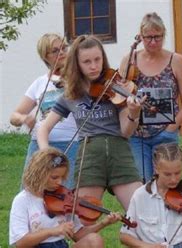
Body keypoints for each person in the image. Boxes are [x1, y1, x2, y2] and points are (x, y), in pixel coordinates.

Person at [37, 35, 143, 211]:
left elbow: (126, 131)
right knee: (85, 216)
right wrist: (45, 153)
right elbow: (44, 128)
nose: (93, 66)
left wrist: (133, 113)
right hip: (89, 155)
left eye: (97, 59)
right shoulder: (70, 94)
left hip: (119, 152)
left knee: (141, 211)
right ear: (77, 64)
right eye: (86, 62)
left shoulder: (117, 87)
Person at [119, 12, 182, 182]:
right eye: (148, 38)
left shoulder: (176, 60)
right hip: (137, 134)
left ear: (164, 35)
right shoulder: (130, 59)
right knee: (141, 183)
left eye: (157, 37)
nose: (153, 42)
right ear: (141, 37)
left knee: (166, 181)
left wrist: (172, 127)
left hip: (165, 133)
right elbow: (120, 97)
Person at [9, 148, 121, 247]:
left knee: (94, 240)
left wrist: (103, 223)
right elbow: (21, 242)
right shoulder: (22, 200)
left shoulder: (63, 198)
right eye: (54, 177)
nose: (59, 182)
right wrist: (53, 231)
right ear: (39, 174)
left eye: (62, 177)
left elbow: (78, 235)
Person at [9, 33, 78, 189]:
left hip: (70, 143)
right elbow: (15, 115)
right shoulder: (40, 83)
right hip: (39, 144)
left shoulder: (77, 79)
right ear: (45, 56)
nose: (61, 52)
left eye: (63, 48)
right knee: (32, 190)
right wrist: (24, 119)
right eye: (54, 50)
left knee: (65, 193)